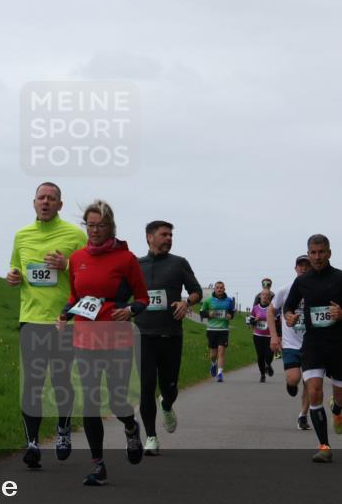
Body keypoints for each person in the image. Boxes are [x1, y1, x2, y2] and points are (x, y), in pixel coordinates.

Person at [57, 200, 149, 486]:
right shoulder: (77, 257)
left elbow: (143, 299)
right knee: (90, 402)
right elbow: (75, 297)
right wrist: (64, 314)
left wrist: (131, 310)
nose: (94, 231)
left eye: (100, 225)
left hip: (116, 337)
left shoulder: (126, 259)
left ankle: (131, 428)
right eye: (90, 225)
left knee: (117, 399)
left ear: (111, 227)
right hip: (85, 338)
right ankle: (98, 465)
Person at [7, 182, 86, 469]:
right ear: (33, 202)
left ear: (60, 205)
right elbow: (16, 267)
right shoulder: (21, 236)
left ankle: (63, 432)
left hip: (63, 320)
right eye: (41, 198)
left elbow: (89, 275)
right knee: (33, 383)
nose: (46, 202)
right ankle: (32, 444)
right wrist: (13, 276)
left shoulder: (75, 235)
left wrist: (66, 265)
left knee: (61, 380)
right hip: (30, 319)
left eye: (52, 199)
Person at [283, 234, 342, 463]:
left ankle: (336, 408)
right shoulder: (302, 282)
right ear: (308, 253)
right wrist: (290, 316)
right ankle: (324, 446)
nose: (317, 257)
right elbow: (289, 308)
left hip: (340, 346)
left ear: (329, 253)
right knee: (314, 390)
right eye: (313, 252)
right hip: (313, 345)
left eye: (321, 252)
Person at [135, 221, 202, 455]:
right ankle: (151, 437)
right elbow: (123, 294)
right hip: (142, 335)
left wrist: (187, 302)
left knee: (169, 387)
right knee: (145, 387)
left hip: (171, 335)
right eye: (164, 234)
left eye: (171, 235)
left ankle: (167, 404)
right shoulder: (136, 265)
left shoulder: (179, 263)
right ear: (149, 238)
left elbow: (197, 291)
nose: (168, 238)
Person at [268, 255, 312, 430]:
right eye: (300, 266)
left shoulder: (317, 289)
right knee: (294, 378)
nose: (303, 268)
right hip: (291, 343)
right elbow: (271, 312)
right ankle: (290, 383)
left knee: (310, 383)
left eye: (306, 266)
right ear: (295, 269)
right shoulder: (285, 290)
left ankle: (303, 415)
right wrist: (274, 336)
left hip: (312, 344)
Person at [199, 282, 235, 382]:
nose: (219, 289)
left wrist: (230, 316)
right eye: (217, 288)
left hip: (223, 330)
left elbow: (232, 312)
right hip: (211, 329)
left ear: (224, 289)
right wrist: (208, 314)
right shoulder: (208, 300)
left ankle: (220, 374)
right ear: (214, 289)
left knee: (221, 351)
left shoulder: (229, 301)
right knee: (213, 354)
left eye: (221, 288)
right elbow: (202, 312)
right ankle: (213, 364)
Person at [249, 289, 275, 382]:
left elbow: (278, 321)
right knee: (260, 356)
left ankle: (268, 364)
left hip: (270, 336)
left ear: (269, 297)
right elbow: (250, 322)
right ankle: (262, 374)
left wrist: (278, 335)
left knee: (269, 354)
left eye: (267, 295)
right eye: (263, 294)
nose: (264, 296)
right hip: (258, 335)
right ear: (260, 296)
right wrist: (255, 320)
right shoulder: (255, 308)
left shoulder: (273, 308)